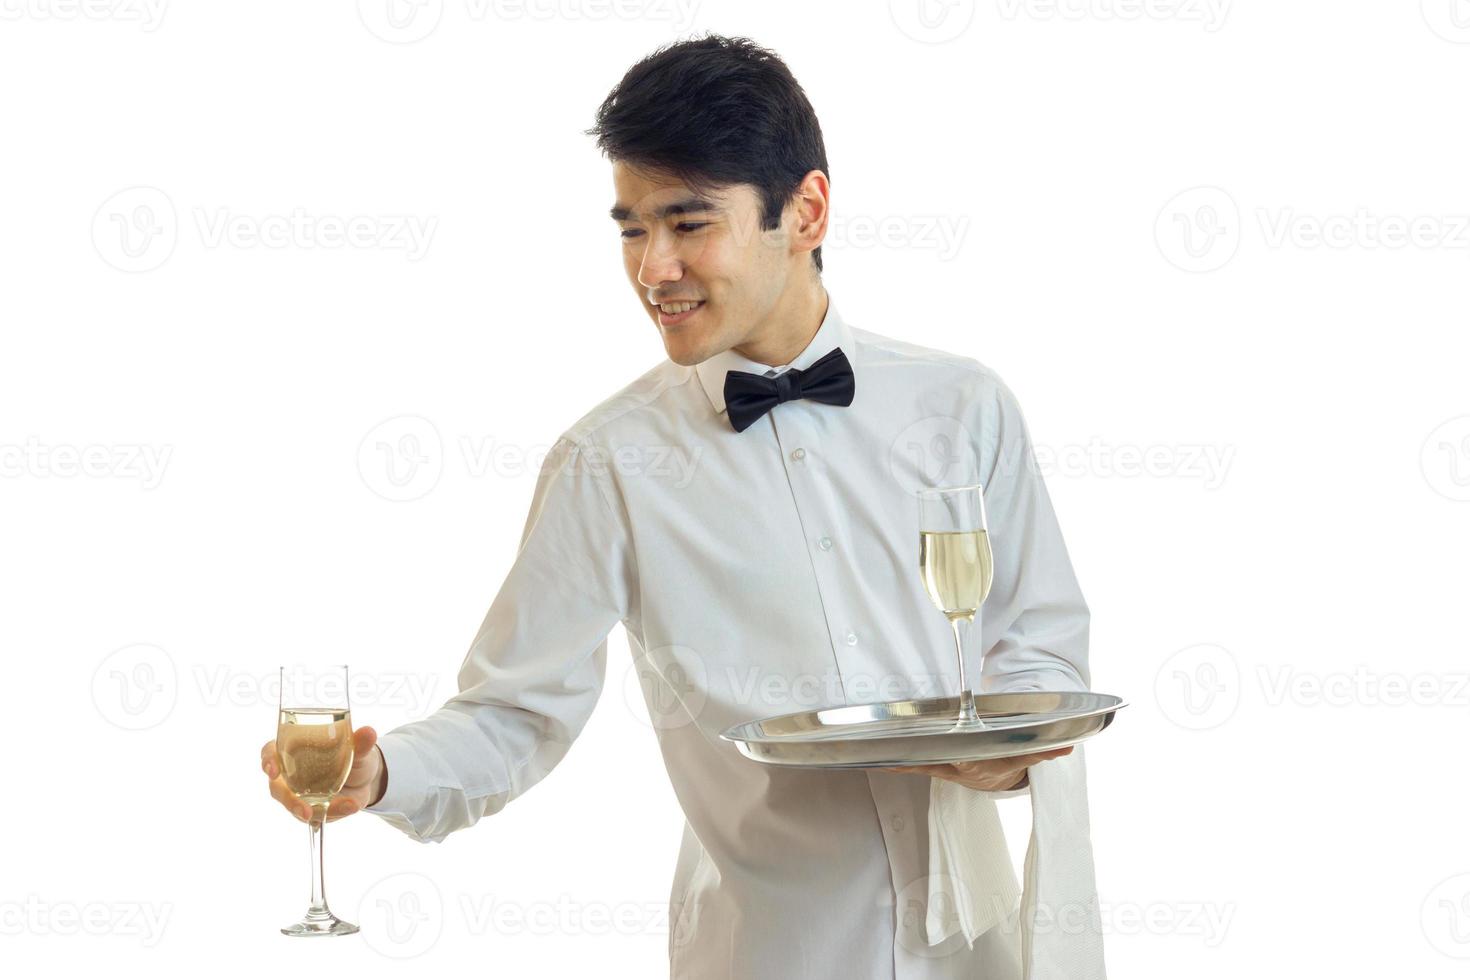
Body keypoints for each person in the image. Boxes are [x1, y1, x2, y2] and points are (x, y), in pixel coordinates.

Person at [260, 33, 1102, 979]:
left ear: (807, 211)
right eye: (631, 228)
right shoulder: (607, 463)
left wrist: (1012, 754)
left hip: (975, 949)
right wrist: (383, 775)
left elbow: (1040, 642)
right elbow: (516, 713)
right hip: (768, 952)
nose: (652, 267)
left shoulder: (963, 405)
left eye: (688, 223)